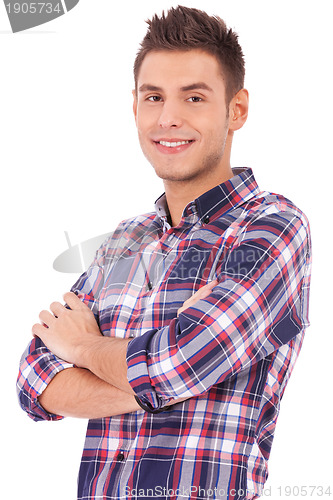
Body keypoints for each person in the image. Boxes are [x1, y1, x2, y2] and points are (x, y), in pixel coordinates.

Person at [17, 6, 312, 500]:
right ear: (135, 107)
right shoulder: (125, 242)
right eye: (153, 97)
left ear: (236, 109)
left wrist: (88, 350)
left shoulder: (271, 228)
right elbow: (33, 381)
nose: (168, 118)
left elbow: (179, 365)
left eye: (194, 97)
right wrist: (172, 371)